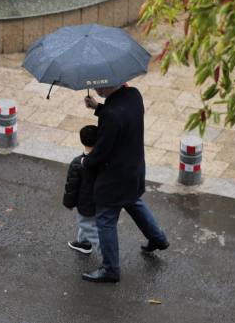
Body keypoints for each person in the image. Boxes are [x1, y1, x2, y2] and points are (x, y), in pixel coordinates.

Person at [81, 86, 169, 283]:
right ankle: (157, 238)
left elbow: (102, 150)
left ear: (108, 84)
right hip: (134, 169)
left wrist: (85, 161)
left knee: (105, 220)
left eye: (98, 84)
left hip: (114, 178)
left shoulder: (111, 114)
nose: (95, 87)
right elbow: (123, 118)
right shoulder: (134, 94)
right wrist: (97, 107)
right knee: (133, 201)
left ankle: (110, 268)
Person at [63, 125, 99, 255]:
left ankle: (109, 260)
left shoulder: (78, 163)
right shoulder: (107, 158)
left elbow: (72, 186)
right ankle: (83, 243)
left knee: (88, 226)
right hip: (103, 200)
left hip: (87, 203)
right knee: (89, 224)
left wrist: (68, 203)